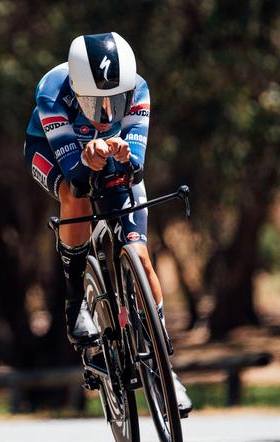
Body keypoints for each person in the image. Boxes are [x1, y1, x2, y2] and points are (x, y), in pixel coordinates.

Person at [24, 32, 192, 416]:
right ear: (75, 90)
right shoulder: (52, 92)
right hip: (50, 151)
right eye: (92, 102)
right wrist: (86, 159)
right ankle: (74, 300)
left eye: (114, 102)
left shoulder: (140, 90)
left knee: (139, 252)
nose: (103, 114)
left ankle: (165, 368)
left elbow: (135, 170)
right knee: (73, 194)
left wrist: (120, 154)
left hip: (111, 160)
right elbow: (78, 178)